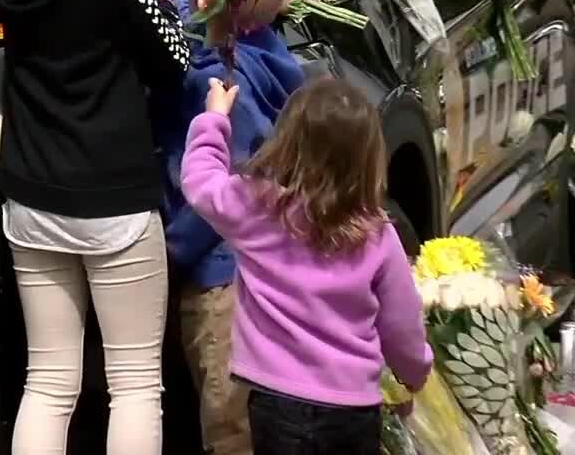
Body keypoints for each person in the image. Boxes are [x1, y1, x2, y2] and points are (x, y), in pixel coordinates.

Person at [0, 0, 190, 455]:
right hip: (114, 200)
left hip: (32, 193)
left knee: (47, 382)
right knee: (133, 385)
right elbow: (174, 60)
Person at [180, 76, 432, 455]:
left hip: (275, 403)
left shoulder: (256, 208)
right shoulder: (378, 236)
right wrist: (414, 374)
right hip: (354, 408)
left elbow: (200, 180)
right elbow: (402, 323)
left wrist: (214, 118)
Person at [149, 0, 304, 455]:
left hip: (220, 280)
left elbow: (209, 203)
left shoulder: (213, 83)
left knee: (230, 420)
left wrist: (168, 254)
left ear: (201, 1)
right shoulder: (272, 61)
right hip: (273, 275)